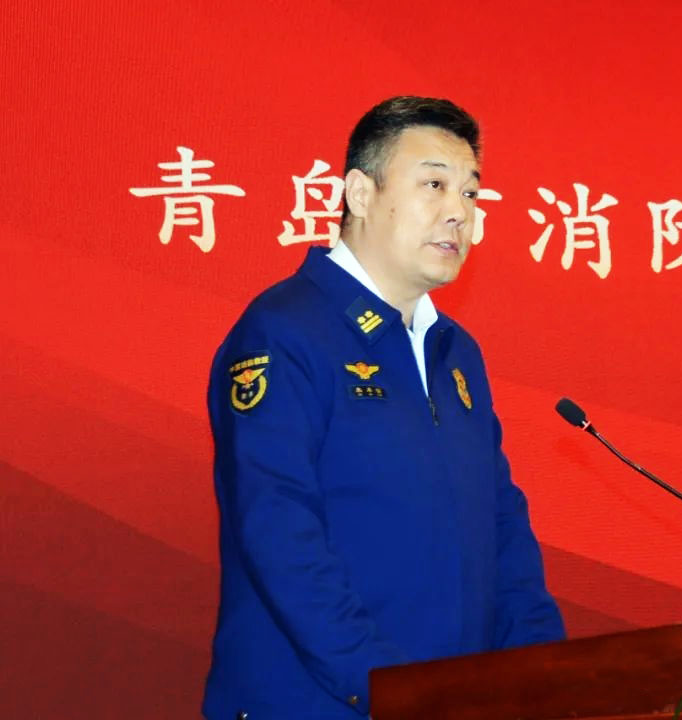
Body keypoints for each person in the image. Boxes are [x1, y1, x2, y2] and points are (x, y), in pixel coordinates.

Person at [202, 96, 565, 719]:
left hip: (446, 705)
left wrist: (548, 677)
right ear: (360, 193)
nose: (460, 213)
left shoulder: (457, 353)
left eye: (471, 193)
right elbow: (280, 535)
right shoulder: (284, 332)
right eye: (434, 185)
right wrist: (389, 689)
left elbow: (502, 527)